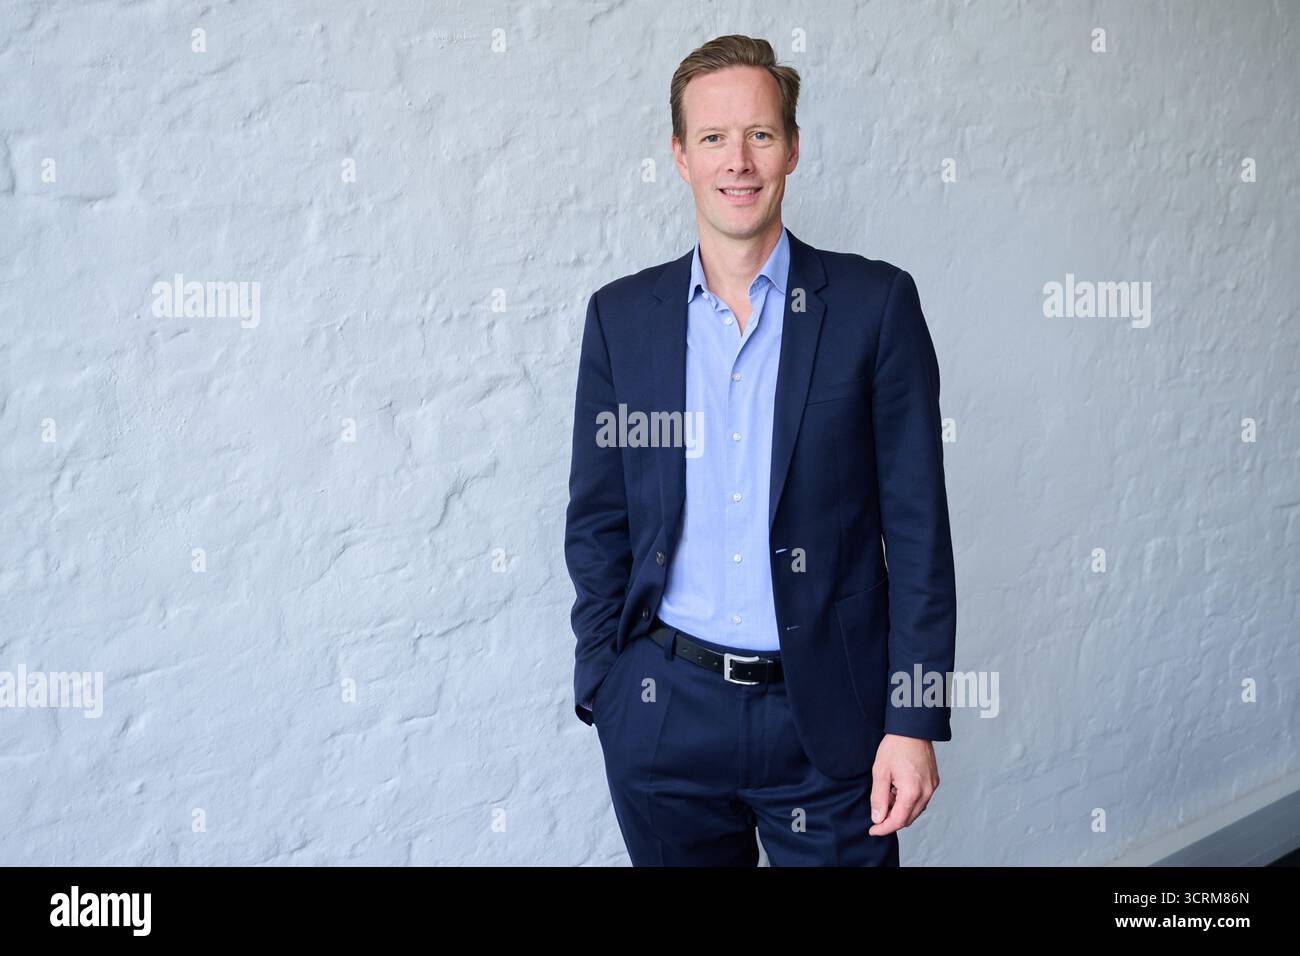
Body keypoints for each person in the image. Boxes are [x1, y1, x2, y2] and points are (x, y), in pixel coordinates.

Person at [564, 34, 957, 866]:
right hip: (664, 716)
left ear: (793, 148)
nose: (737, 161)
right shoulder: (621, 320)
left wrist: (913, 720)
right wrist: (607, 688)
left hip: (832, 722)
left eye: (760, 135)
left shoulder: (873, 306)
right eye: (712, 138)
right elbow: (598, 521)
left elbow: (919, 532)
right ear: (679, 156)